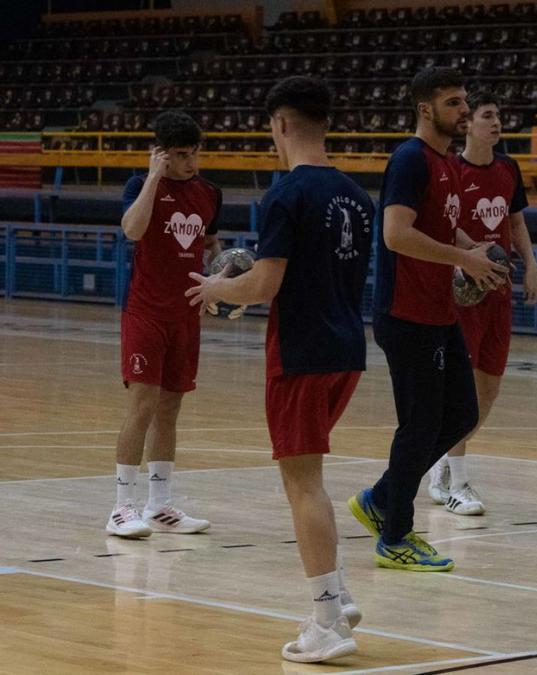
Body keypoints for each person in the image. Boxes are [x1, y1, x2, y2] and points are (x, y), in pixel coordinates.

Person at [185, 76, 371, 662]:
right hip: (346, 349)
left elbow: (265, 284)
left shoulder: (285, 196)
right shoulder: (356, 196)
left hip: (300, 351)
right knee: (309, 476)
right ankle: (337, 597)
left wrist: (220, 286)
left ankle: (326, 622)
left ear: (281, 124)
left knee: (303, 482)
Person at [347, 67, 508, 570]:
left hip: (440, 312)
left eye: (465, 103)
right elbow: (397, 233)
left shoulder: (447, 164)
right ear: (425, 109)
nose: (463, 111)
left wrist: (474, 252)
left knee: (461, 415)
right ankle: (395, 535)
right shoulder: (411, 160)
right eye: (455, 103)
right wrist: (465, 260)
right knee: (418, 426)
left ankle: (379, 498)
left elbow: (446, 227)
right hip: (406, 312)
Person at [425, 89, 537, 516]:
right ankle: (459, 484)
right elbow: (440, 228)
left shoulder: (508, 168)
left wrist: (531, 264)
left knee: (488, 391)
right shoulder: (450, 171)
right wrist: (466, 260)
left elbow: (515, 221)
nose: (496, 123)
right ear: (469, 123)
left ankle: (440, 461)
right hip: (461, 293)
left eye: (499, 116)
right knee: (462, 390)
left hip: (500, 292)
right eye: (489, 116)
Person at [109, 110, 221, 538]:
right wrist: (154, 179)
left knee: (170, 409)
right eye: (180, 154)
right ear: (160, 154)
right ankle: (121, 507)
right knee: (143, 405)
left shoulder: (209, 193)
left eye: (194, 153)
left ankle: (159, 505)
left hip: (185, 315)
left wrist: (219, 278)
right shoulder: (140, 187)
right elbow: (132, 231)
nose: (191, 162)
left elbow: (209, 244)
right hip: (145, 312)